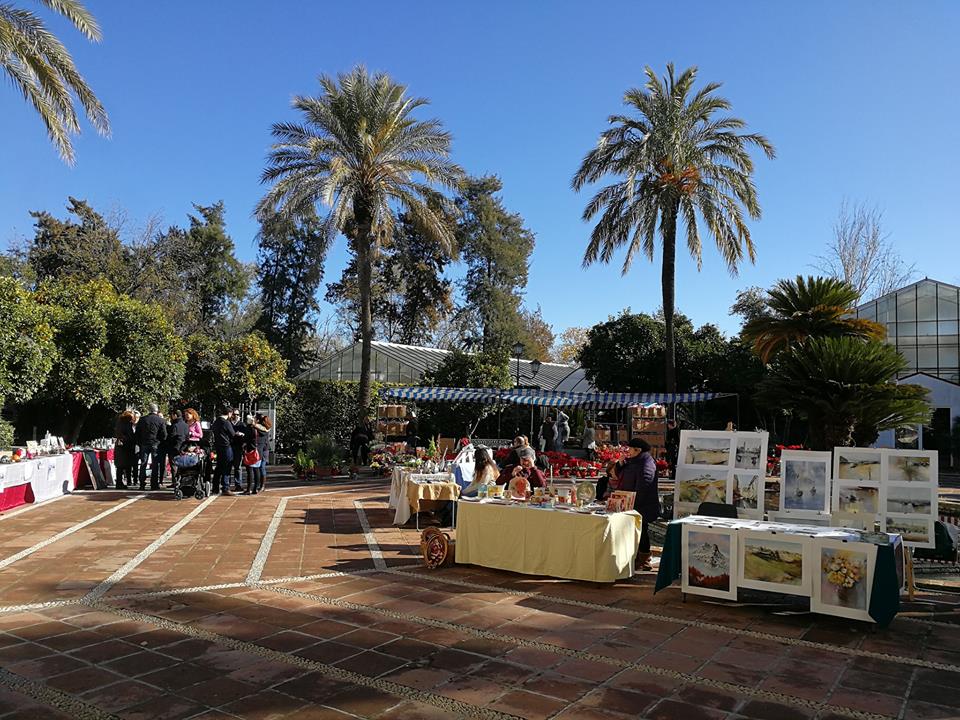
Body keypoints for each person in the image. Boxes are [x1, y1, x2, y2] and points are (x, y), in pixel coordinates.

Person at [616, 438, 660, 571]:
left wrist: (633, 502)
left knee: (642, 530)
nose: (627, 451)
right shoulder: (633, 462)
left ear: (638, 450)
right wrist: (620, 464)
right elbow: (619, 475)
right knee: (636, 531)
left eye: (630, 449)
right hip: (630, 502)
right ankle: (637, 557)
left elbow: (645, 484)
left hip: (642, 504)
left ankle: (644, 559)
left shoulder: (646, 463)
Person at [134, 404, 167, 490]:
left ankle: (142, 483)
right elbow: (164, 434)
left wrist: (140, 442)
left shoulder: (142, 420)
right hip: (155, 443)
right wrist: (160, 441)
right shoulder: (161, 420)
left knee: (143, 463)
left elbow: (137, 433)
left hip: (144, 443)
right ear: (157, 410)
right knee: (155, 464)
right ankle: (154, 484)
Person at [211, 407, 240, 496]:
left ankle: (215, 487)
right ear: (229, 413)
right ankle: (225, 487)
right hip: (226, 446)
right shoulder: (226, 422)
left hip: (218, 446)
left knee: (219, 467)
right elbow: (233, 434)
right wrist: (238, 434)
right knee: (227, 467)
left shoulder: (216, 422)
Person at [241, 414, 265, 495]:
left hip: (251, 451)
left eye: (254, 418)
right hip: (259, 452)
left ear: (257, 420)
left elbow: (246, 438)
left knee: (250, 470)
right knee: (257, 470)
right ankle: (256, 488)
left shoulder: (251, 428)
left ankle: (248, 489)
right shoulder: (263, 429)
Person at [113, 410, 137, 490]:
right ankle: (122, 482)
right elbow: (130, 436)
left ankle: (119, 482)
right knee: (125, 465)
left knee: (119, 467)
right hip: (126, 447)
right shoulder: (128, 424)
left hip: (119, 446)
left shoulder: (119, 423)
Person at [166, 409, 189, 485]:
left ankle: (175, 482)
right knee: (182, 465)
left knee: (173, 465)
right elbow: (187, 436)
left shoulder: (174, 425)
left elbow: (171, 437)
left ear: (175, 415)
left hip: (174, 448)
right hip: (183, 447)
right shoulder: (186, 425)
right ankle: (182, 481)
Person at [229, 409, 246, 491]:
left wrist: (242, 435)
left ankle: (238, 485)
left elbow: (246, 435)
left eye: (237, 414)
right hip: (229, 447)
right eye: (234, 414)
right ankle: (226, 485)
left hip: (238, 447)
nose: (236, 416)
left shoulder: (242, 424)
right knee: (227, 466)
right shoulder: (228, 423)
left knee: (237, 467)